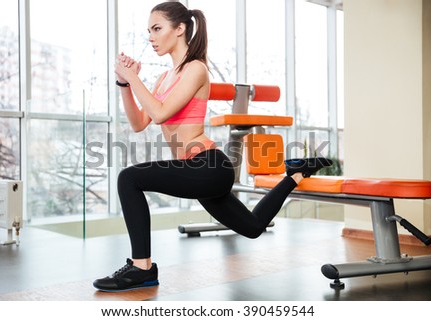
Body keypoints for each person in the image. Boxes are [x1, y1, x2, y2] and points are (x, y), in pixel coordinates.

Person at [93, 1, 331, 292]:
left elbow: (160, 113)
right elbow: (139, 122)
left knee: (128, 178)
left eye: (157, 28)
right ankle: (296, 173)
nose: (151, 37)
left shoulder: (196, 69)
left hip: (207, 166)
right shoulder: (162, 78)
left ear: (180, 29)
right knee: (254, 227)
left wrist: (133, 77)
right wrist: (124, 85)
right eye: (149, 31)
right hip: (195, 170)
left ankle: (142, 268)